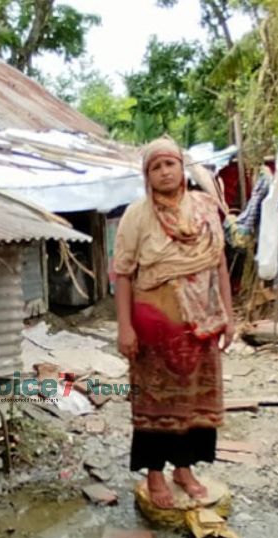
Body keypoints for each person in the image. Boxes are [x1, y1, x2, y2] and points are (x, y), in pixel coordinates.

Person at [113, 136, 235, 509]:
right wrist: (124, 328)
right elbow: (123, 274)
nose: (165, 172)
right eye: (156, 167)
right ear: (147, 176)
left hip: (201, 324)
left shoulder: (204, 208)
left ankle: (184, 469)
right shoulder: (137, 215)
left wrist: (229, 317)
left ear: (182, 168)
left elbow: (218, 265)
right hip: (154, 325)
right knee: (154, 402)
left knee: (195, 402)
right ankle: (154, 474)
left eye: (170, 164)